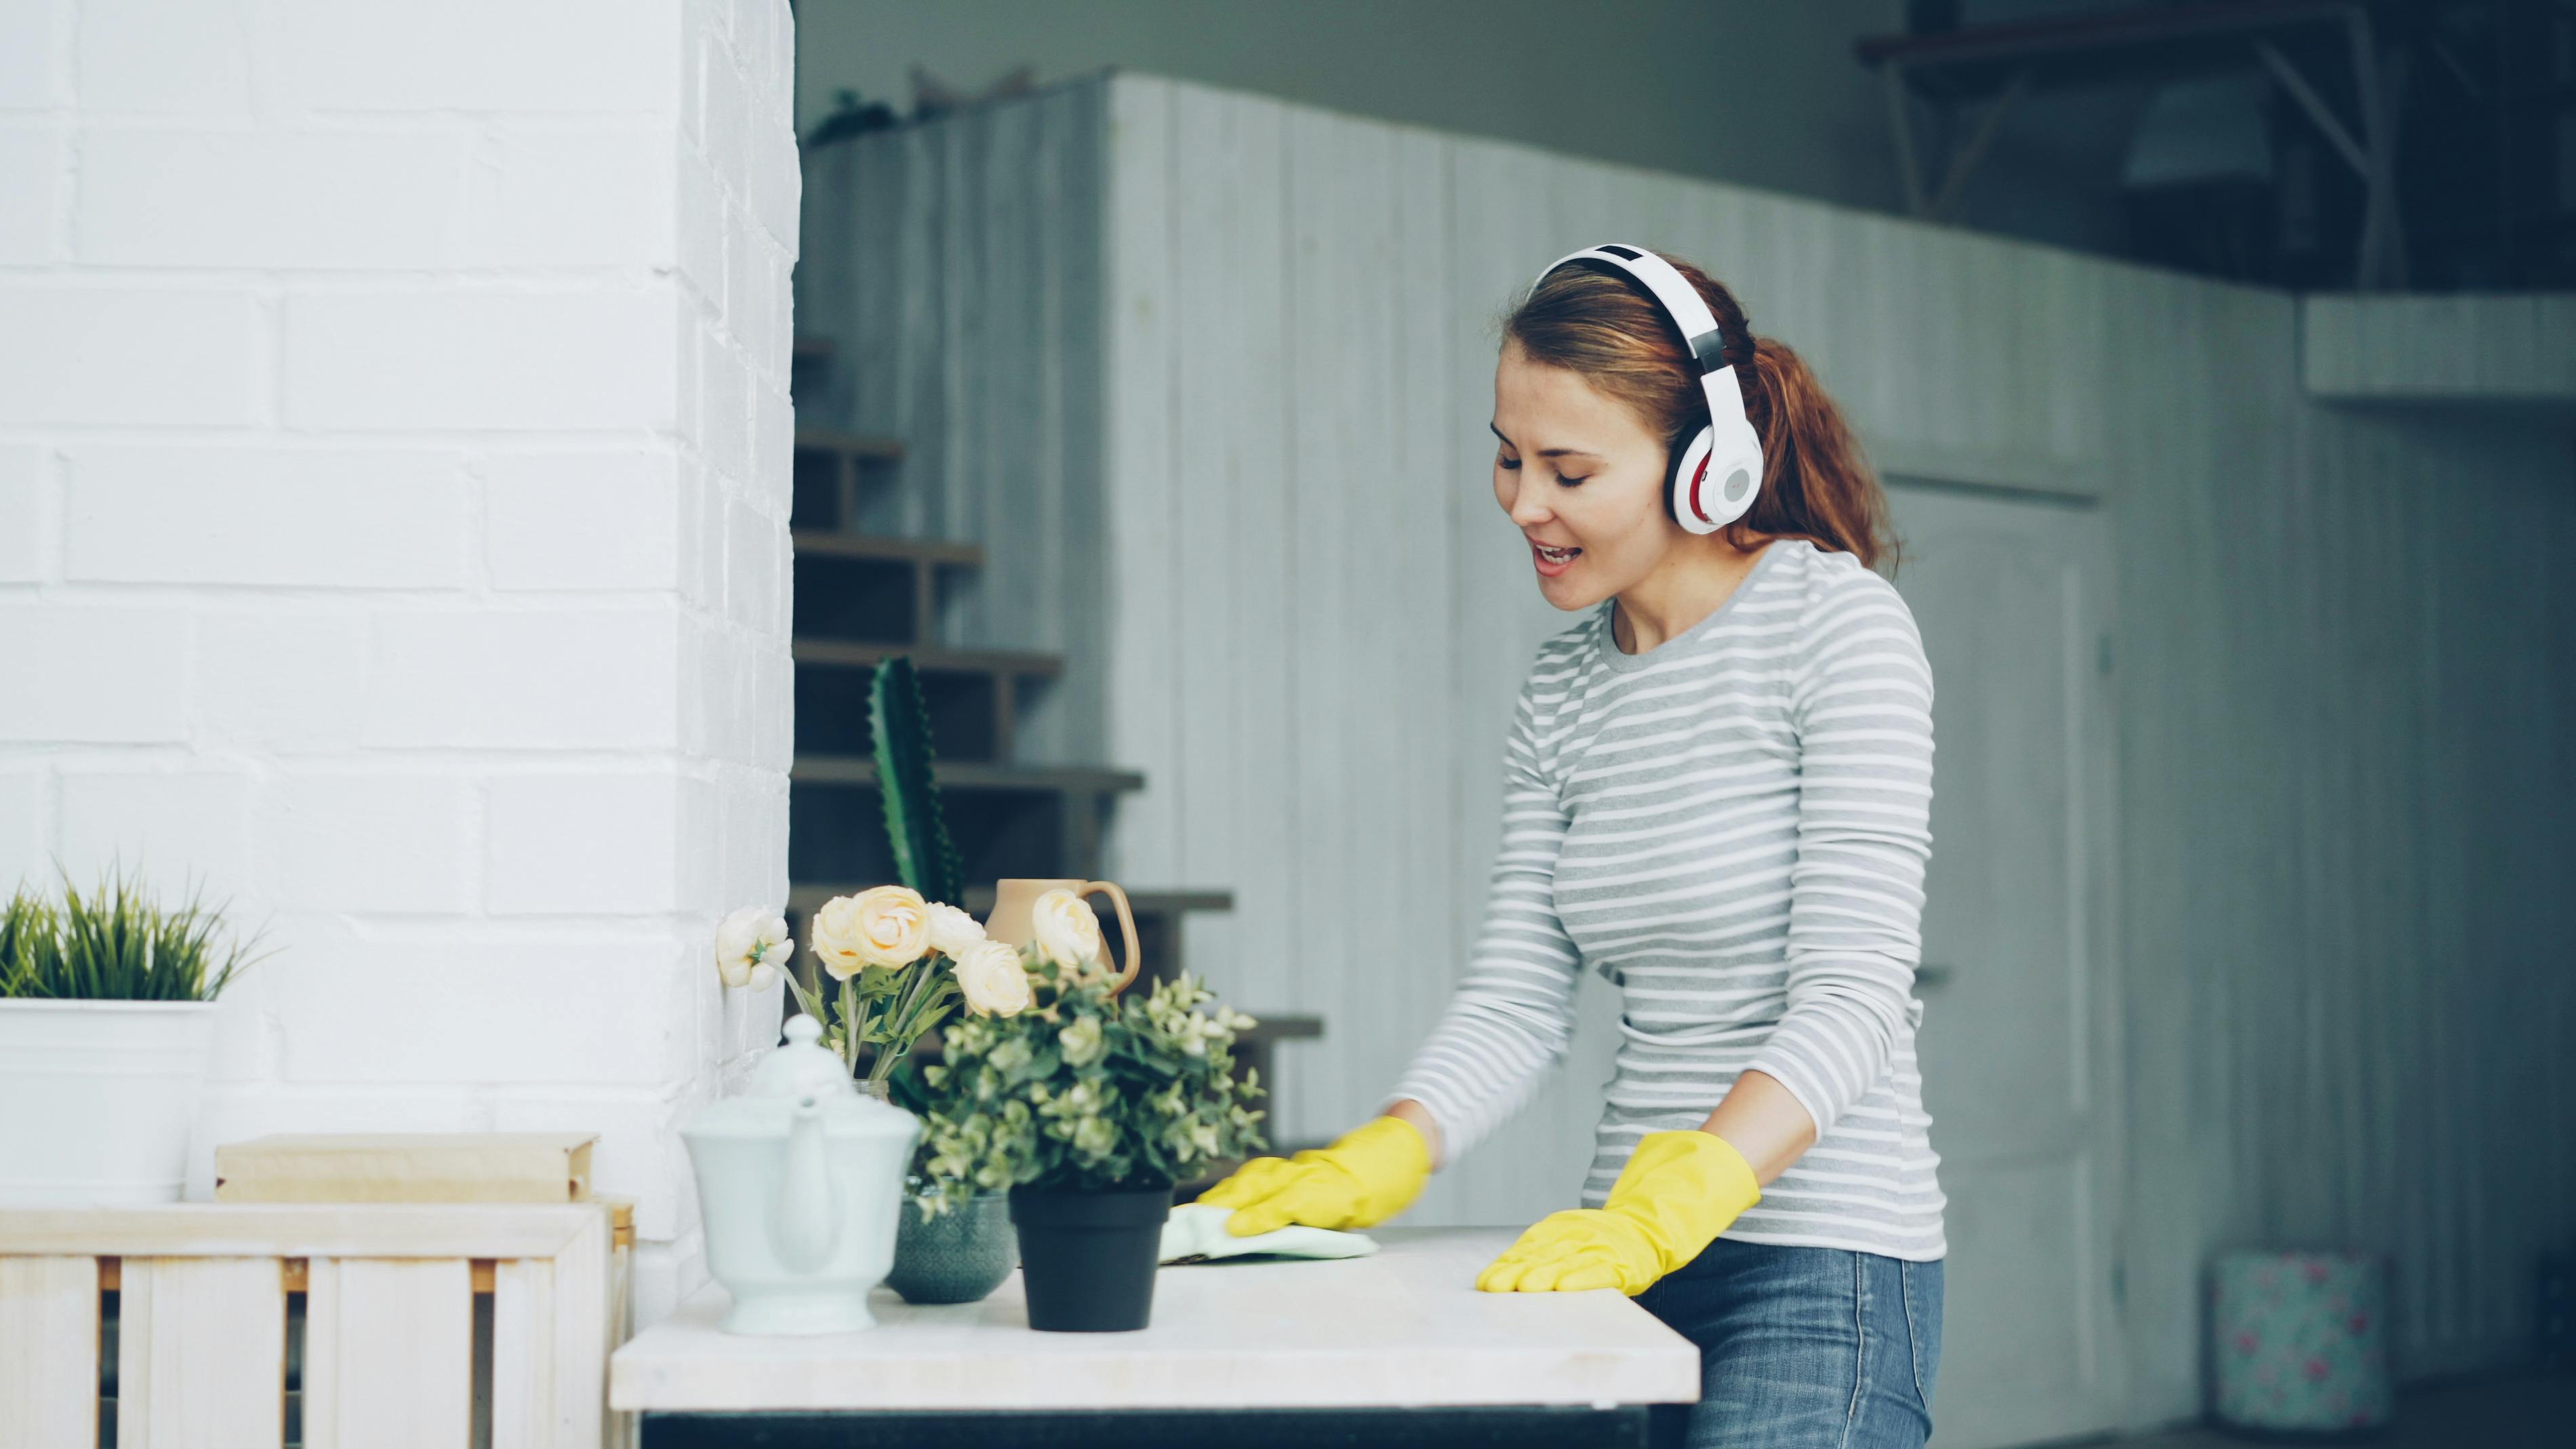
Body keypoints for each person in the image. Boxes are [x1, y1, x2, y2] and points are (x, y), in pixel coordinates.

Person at [1197, 246, 1947, 1448]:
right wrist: (1391, 1145)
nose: (1522, 502)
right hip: (1616, 1251)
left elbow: (1854, 996)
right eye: (1508, 453)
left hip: (1819, 1263)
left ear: (1705, 469)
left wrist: (1694, 1188)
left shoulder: (1835, 623)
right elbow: (1517, 996)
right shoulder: (1566, 688)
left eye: (1569, 469)